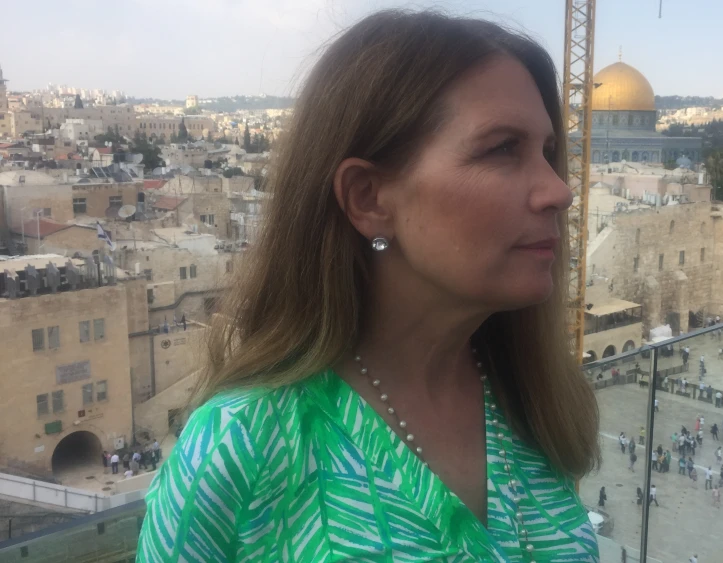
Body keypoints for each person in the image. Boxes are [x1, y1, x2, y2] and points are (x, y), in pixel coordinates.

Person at [136, 12, 603, 561]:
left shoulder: (535, 401)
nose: (559, 191)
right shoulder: (243, 445)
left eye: (548, 153)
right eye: (502, 149)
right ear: (369, 199)